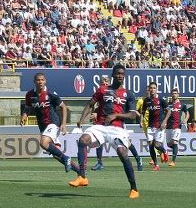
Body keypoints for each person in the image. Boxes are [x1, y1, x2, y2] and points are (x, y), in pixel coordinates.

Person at [69, 64, 140, 199]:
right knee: (83, 140)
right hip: (100, 126)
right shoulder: (102, 90)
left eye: (122, 74)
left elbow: (132, 115)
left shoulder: (128, 94)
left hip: (117, 128)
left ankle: (134, 188)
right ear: (112, 75)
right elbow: (90, 104)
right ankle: (82, 176)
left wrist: (116, 115)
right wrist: (81, 119)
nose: (120, 76)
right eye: (117, 73)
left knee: (122, 152)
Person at [20, 73, 78, 173]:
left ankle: (66, 158)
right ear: (34, 82)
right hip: (42, 126)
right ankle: (79, 170)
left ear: (45, 81)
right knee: (56, 154)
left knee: (43, 143)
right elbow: (28, 108)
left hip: (53, 122)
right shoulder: (30, 95)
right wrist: (24, 115)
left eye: (42, 80)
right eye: (38, 80)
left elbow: (63, 107)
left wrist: (63, 124)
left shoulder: (50, 94)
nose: (40, 82)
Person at [91, 76, 143, 172]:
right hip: (103, 122)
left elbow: (120, 107)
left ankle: (138, 159)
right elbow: (95, 107)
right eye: (103, 81)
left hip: (117, 123)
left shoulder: (115, 92)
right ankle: (99, 162)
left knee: (127, 143)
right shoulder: (101, 92)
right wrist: (94, 113)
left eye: (106, 81)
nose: (105, 82)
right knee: (99, 141)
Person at [141, 81, 169, 171]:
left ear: (156, 89)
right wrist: (141, 121)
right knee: (150, 145)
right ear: (148, 89)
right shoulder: (146, 100)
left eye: (154, 88)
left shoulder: (161, 100)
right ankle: (156, 165)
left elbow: (169, 111)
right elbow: (143, 112)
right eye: (151, 88)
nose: (152, 90)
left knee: (157, 145)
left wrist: (164, 122)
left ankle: (164, 151)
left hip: (159, 126)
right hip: (150, 126)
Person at [162, 88, 189, 167]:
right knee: (169, 144)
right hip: (168, 127)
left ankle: (173, 161)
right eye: (173, 93)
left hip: (177, 126)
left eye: (175, 93)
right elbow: (164, 114)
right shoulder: (168, 105)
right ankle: (167, 152)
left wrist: (185, 119)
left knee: (174, 142)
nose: (174, 95)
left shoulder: (182, 105)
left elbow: (187, 113)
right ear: (171, 95)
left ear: (178, 95)